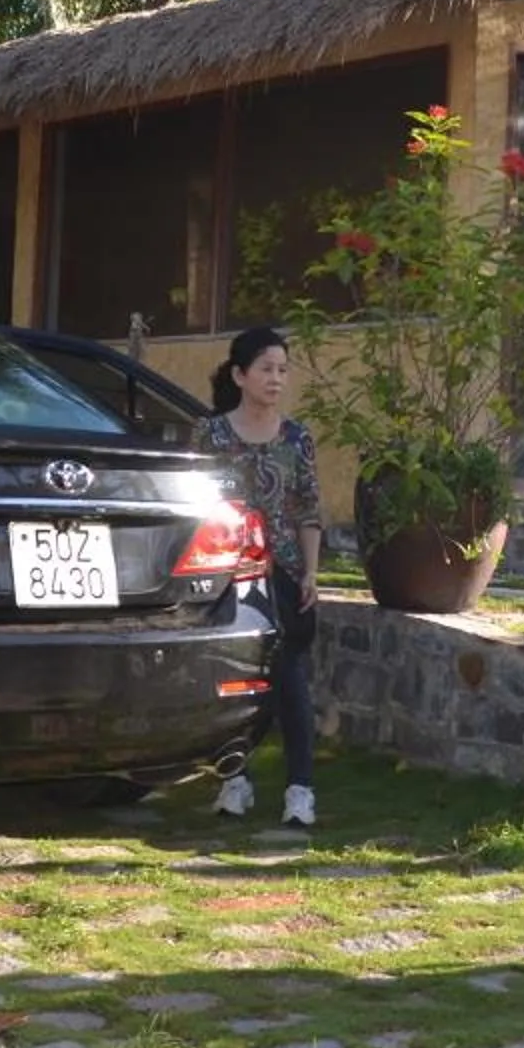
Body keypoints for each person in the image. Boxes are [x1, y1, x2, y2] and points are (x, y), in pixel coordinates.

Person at [199, 326, 321, 828]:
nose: (275, 378)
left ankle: (301, 790)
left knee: (288, 678)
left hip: (285, 573)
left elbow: (309, 509)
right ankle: (235, 781)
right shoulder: (211, 435)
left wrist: (312, 570)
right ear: (240, 375)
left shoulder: (297, 439)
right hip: (226, 574)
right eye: (266, 368)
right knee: (235, 681)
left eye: (282, 369)